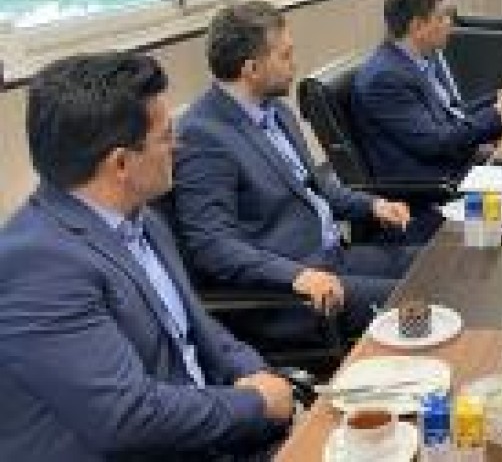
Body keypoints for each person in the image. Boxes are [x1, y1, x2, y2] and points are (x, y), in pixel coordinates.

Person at [0, 53, 292, 461]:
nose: (178, 147)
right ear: (120, 163)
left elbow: (196, 327)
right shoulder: (36, 264)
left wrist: (255, 373)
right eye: (166, 137)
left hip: (208, 430)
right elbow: (126, 417)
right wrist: (255, 404)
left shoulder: (144, 219)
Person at [173, 2, 415, 341]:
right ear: (252, 68)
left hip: (334, 258)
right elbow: (213, 245)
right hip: (291, 293)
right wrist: (296, 276)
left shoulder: (276, 111)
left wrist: (373, 205)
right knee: (421, 304)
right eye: (285, 56)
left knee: (435, 268)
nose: (295, 64)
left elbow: (313, 188)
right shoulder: (203, 135)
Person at [351, 0, 502, 194]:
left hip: (457, 167)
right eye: (441, 17)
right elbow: (436, 143)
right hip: (433, 188)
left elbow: (452, 115)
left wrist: (499, 99)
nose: (449, 24)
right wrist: (499, 113)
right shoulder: (385, 78)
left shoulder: (415, 62)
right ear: (417, 27)